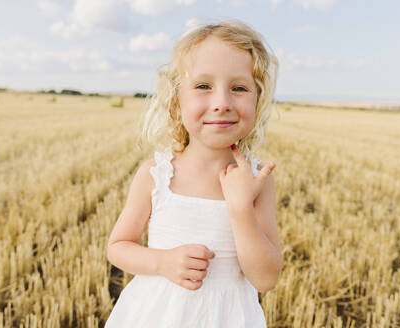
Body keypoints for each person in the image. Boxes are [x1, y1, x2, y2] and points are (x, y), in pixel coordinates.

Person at [105, 19, 282, 327]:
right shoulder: (156, 174)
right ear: (176, 102)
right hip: (158, 315)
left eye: (239, 88)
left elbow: (265, 278)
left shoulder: (257, 181)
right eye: (203, 86)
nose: (222, 103)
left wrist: (240, 209)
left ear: (258, 99)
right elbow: (118, 247)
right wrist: (162, 262)